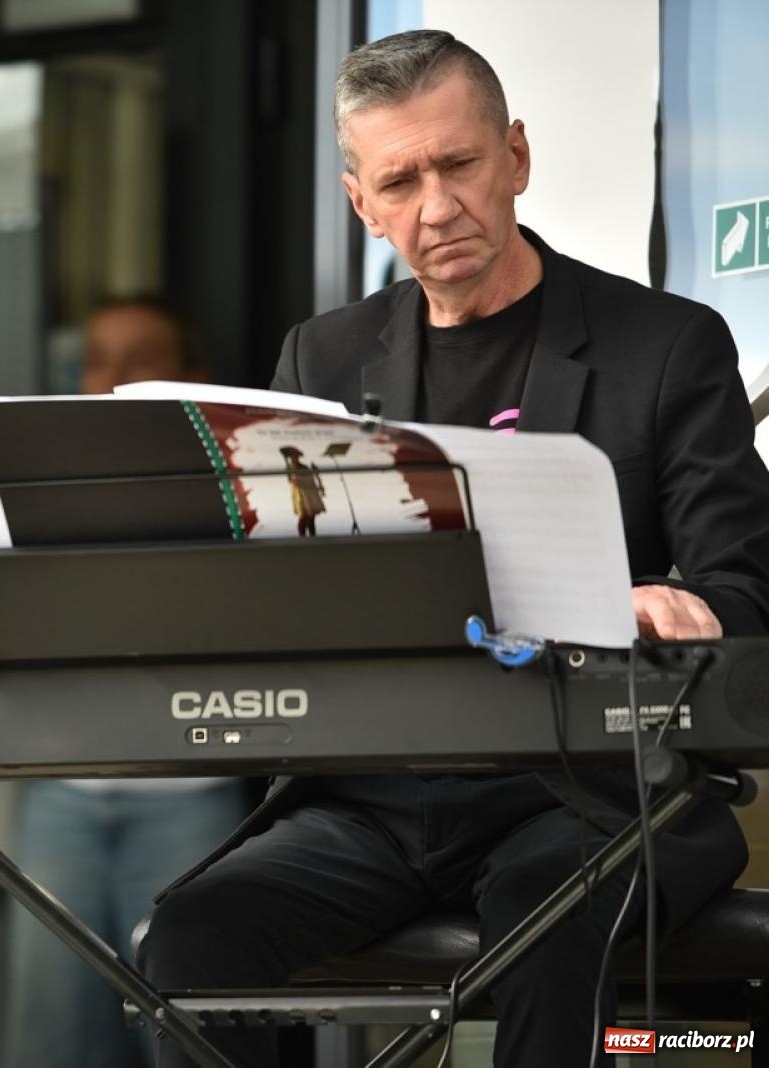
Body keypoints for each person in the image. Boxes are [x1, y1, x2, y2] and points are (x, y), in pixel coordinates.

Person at [137, 29, 769, 1068]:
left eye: (459, 164)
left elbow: (742, 588)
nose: (435, 206)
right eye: (400, 180)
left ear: (513, 157)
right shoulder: (323, 355)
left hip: (591, 787)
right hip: (375, 795)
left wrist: (680, 605)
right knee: (196, 938)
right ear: (361, 203)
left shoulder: (662, 344)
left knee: (545, 915)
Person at [3, 295, 250, 1068]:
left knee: (192, 1041)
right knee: (55, 1045)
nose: (113, 378)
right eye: (97, 360)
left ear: (192, 376)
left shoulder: (235, 491)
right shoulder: (38, 493)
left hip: (191, 797)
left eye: (140, 357)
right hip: (60, 798)